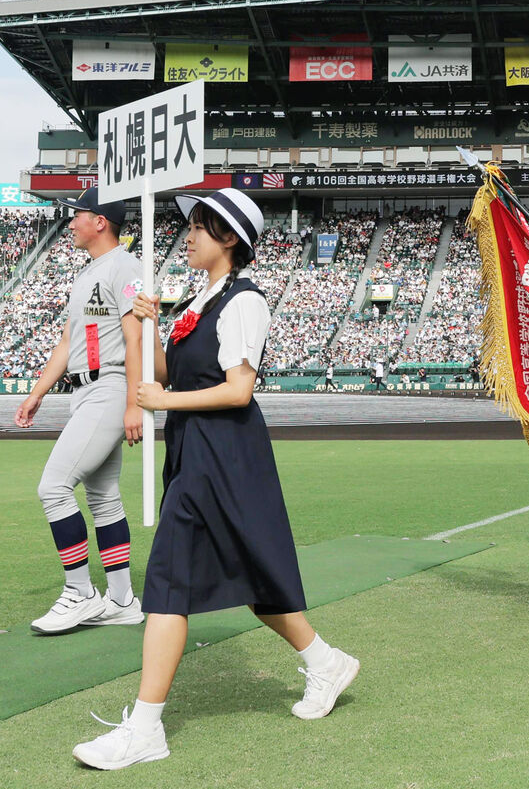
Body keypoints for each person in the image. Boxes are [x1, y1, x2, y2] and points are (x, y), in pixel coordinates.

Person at [72, 188, 358, 771]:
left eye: (202, 225)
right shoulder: (199, 300)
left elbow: (238, 390)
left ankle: (147, 727)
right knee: (249, 573)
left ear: (229, 239)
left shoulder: (244, 302)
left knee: (169, 580)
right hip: (198, 450)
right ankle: (325, 661)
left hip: (224, 453)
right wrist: (151, 327)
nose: (191, 234)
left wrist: (164, 399)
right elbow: (163, 371)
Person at [15, 187, 145, 634]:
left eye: (78, 215)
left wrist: (133, 401)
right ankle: (123, 599)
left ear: (100, 222)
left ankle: (80, 592)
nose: (70, 223)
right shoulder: (88, 272)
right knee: (104, 499)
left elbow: (136, 338)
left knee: (54, 487)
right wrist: (37, 393)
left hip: (111, 386)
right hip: (85, 389)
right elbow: (70, 342)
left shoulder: (125, 266)